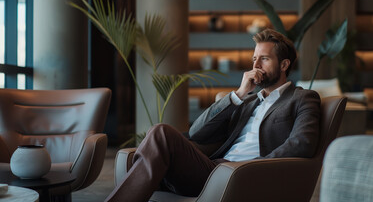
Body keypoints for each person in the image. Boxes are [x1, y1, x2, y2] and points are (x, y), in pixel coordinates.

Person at [105, 28, 321, 202]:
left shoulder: (302, 98)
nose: (255, 66)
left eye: (264, 59)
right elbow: (196, 133)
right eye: (254, 58)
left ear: (284, 64)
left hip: (245, 174)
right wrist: (238, 94)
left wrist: (254, 166)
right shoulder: (246, 101)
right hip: (213, 169)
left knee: (160, 133)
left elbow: (302, 143)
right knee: (151, 146)